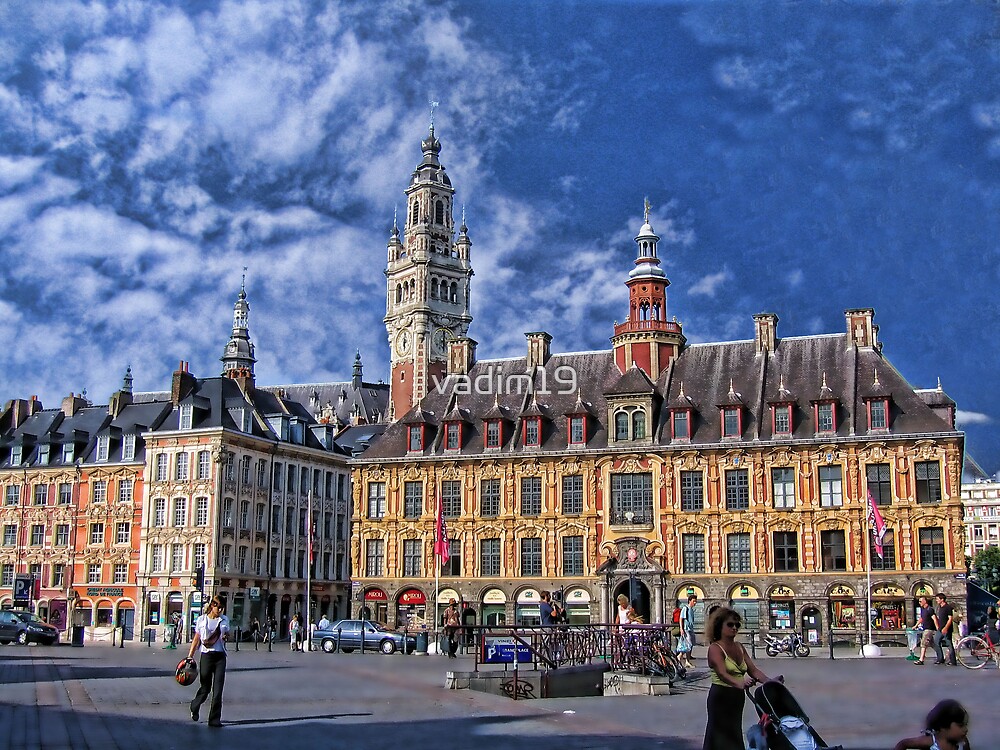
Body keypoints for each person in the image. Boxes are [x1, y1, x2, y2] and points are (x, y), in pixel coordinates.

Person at [702, 607, 770, 750]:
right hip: (721, 695)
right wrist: (740, 683)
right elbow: (722, 673)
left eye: (737, 625)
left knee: (734, 732)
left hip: (737, 697)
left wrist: (771, 682)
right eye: (730, 624)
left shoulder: (739, 647)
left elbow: (753, 670)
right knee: (719, 735)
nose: (734, 628)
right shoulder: (715, 648)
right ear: (719, 626)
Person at [188, 596, 230, 728]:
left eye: (222, 607)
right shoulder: (202, 620)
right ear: (212, 606)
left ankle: (214, 719)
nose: (220, 610)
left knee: (218, 690)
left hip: (220, 656)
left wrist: (226, 636)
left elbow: (228, 633)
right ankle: (195, 706)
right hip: (206, 655)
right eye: (219, 607)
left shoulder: (224, 620)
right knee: (205, 687)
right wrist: (190, 656)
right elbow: (196, 639)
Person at [893, 699, 972, 750]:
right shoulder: (931, 741)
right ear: (943, 727)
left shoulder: (963, 743)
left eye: (965, 725)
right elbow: (903, 743)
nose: (966, 729)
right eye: (960, 726)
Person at [933, 593, 957, 666]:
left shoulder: (948, 607)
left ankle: (953, 661)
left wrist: (946, 628)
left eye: (937, 599)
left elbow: (950, 619)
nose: (936, 600)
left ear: (942, 599)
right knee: (936, 642)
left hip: (947, 629)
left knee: (949, 644)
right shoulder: (940, 607)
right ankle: (940, 659)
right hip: (940, 628)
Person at [914, 595, 937, 665]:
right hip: (925, 628)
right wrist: (915, 625)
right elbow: (922, 618)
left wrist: (937, 628)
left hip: (929, 629)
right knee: (933, 644)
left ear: (925, 601)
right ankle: (941, 656)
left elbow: (934, 618)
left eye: (921, 601)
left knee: (923, 644)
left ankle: (921, 659)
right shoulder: (923, 609)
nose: (919, 603)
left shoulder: (929, 609)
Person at [679, 594, 698, 669]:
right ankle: (682, 658)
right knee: (688, 645)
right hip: (686, 629)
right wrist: (681, 629)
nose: (695, 603)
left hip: (691, 629)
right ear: (690, 601)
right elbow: (681, 619)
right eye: (694, 601)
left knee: (691, 644)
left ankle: (684, 659)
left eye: (696, 601)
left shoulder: (691, 610)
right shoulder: (685, 608)